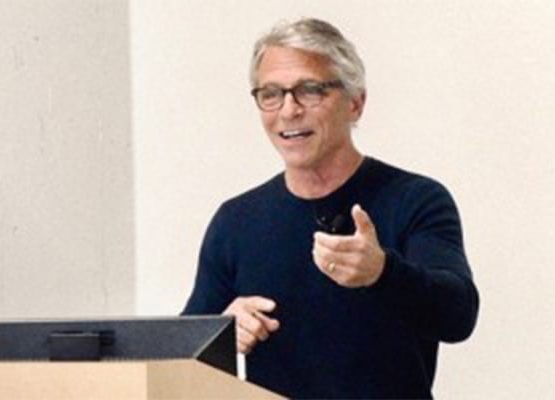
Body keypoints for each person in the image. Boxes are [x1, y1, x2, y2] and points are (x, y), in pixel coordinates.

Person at [181, 17, 480, 399]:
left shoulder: (415, 199)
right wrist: (221, 331)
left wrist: (382, 272)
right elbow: (182, 355)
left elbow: (458, 316)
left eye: (309, 90)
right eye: (270, 93)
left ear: (355, 103)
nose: (288, 110)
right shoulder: (236, 221)